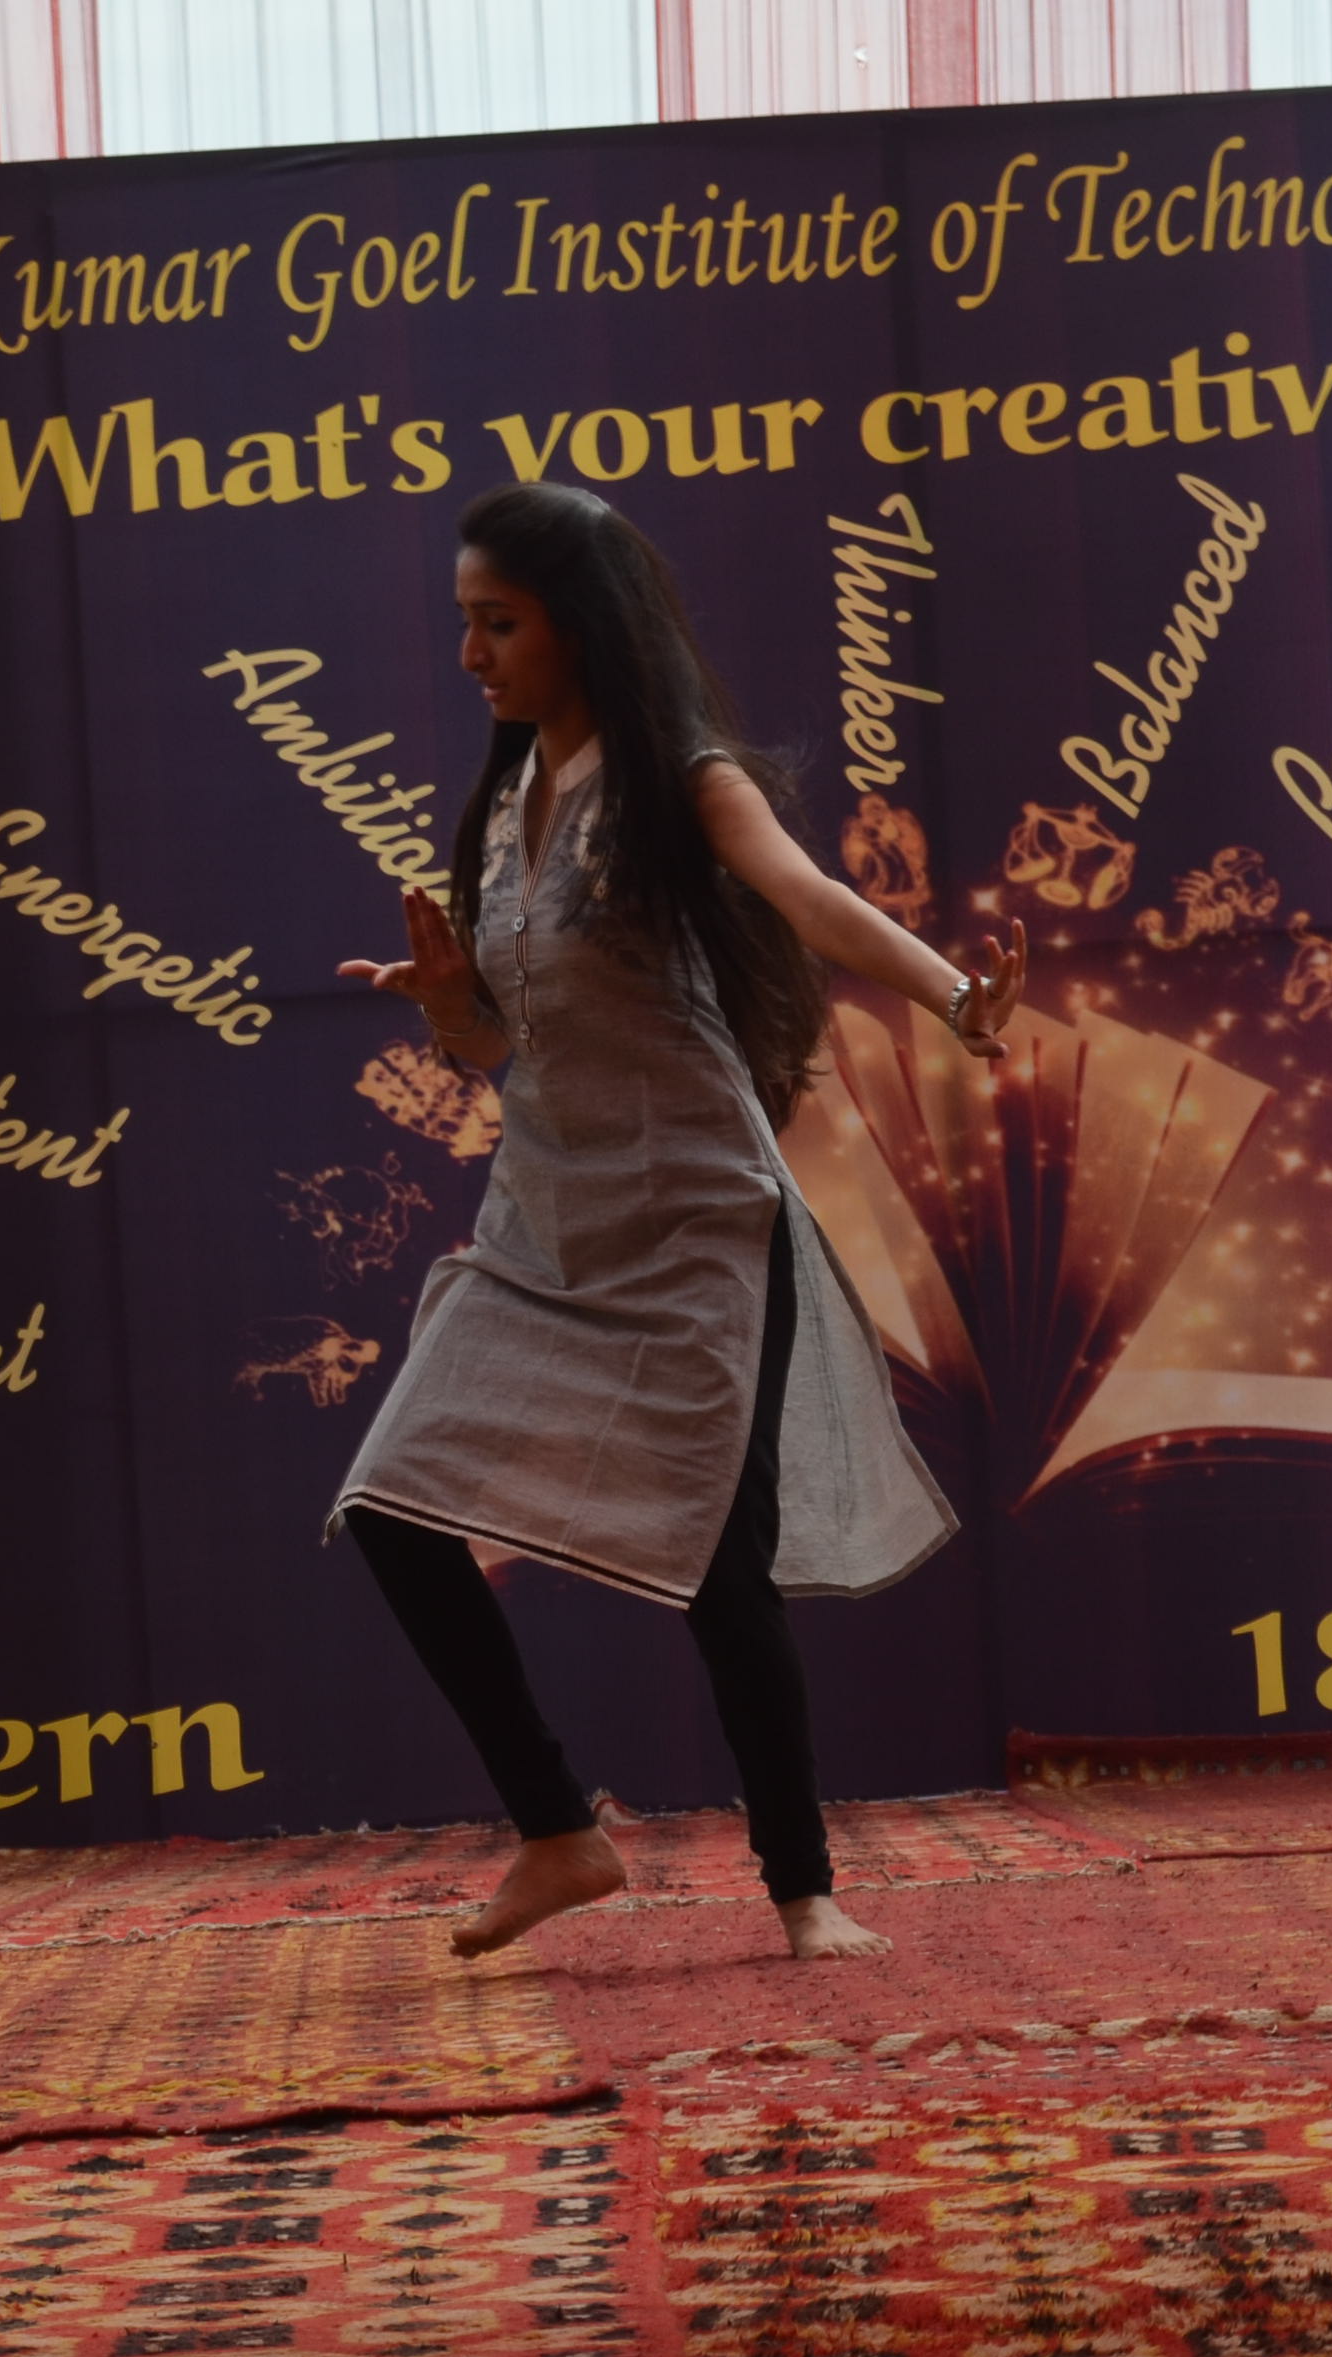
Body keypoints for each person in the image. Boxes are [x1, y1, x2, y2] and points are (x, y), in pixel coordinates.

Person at [331, 482, 1021, 1962]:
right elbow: (496, 1049)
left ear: (578, 628)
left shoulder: (684, 784)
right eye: (464, 623)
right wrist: (447, 1003)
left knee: (720, 1562)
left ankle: (803, 1892)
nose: (468, 656)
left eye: (497, 624)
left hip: (703, 1219)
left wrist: (956, 996)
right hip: (543, 1228)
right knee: (390, 1506)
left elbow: (813, 902)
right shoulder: (503, 808)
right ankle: (558, 1832)